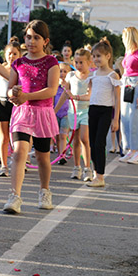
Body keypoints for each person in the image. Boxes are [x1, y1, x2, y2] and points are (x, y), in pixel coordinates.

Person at [3, 19, 60, 214]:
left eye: (36, 38)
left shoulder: (51, 62)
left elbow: (52, 90)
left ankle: (45, 191)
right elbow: (9, 90)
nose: (31, 41)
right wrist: (13, 93)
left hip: (43, 114)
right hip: (22, 113)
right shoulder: (18, 63)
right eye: (28, 37)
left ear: (45, 41)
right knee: (19, 152)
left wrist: (27, 96)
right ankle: (15, 196)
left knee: (42, 157)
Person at [87, 39, 121, 187]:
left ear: (108, 56)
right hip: (92, 110)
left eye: (99, 56)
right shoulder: (93, 75)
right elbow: (89, 94)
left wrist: (116, 119)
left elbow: (117, 98)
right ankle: (96, 174)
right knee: (92, 143)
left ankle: (100, 176)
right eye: (94, 56)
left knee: (100, 143)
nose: (96, 59)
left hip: (105, 111)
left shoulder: (113, 75)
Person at [56, 48, 93, 181]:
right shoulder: (71, 76)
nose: (78, 65)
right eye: (76, 62)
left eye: (81, 62)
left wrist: (75, 97)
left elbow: (89, 96)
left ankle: (87, 168)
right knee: (75, 140)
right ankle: (77, 167)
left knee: (84, 139)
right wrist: (54, 110)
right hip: (73, 112)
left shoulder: (91, 77)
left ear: (89, 62)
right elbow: (65, 94)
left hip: (86, 111)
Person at [0, 42, 21, 177]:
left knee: (17, 137)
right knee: (3, 136)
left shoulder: (20, 70)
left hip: (16, 104)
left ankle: (20, 163)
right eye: (9, 53)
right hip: (2, 104)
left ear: (19, 55)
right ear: (5, 54)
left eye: (15, 54)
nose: (12, 56)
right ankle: (4, 165)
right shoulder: (0, 69)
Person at [119, 27, 138, 165]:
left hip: (136, 85)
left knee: (136, 119)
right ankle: (131, 149)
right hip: (126, 85)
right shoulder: (128, 52)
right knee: (125, 119)